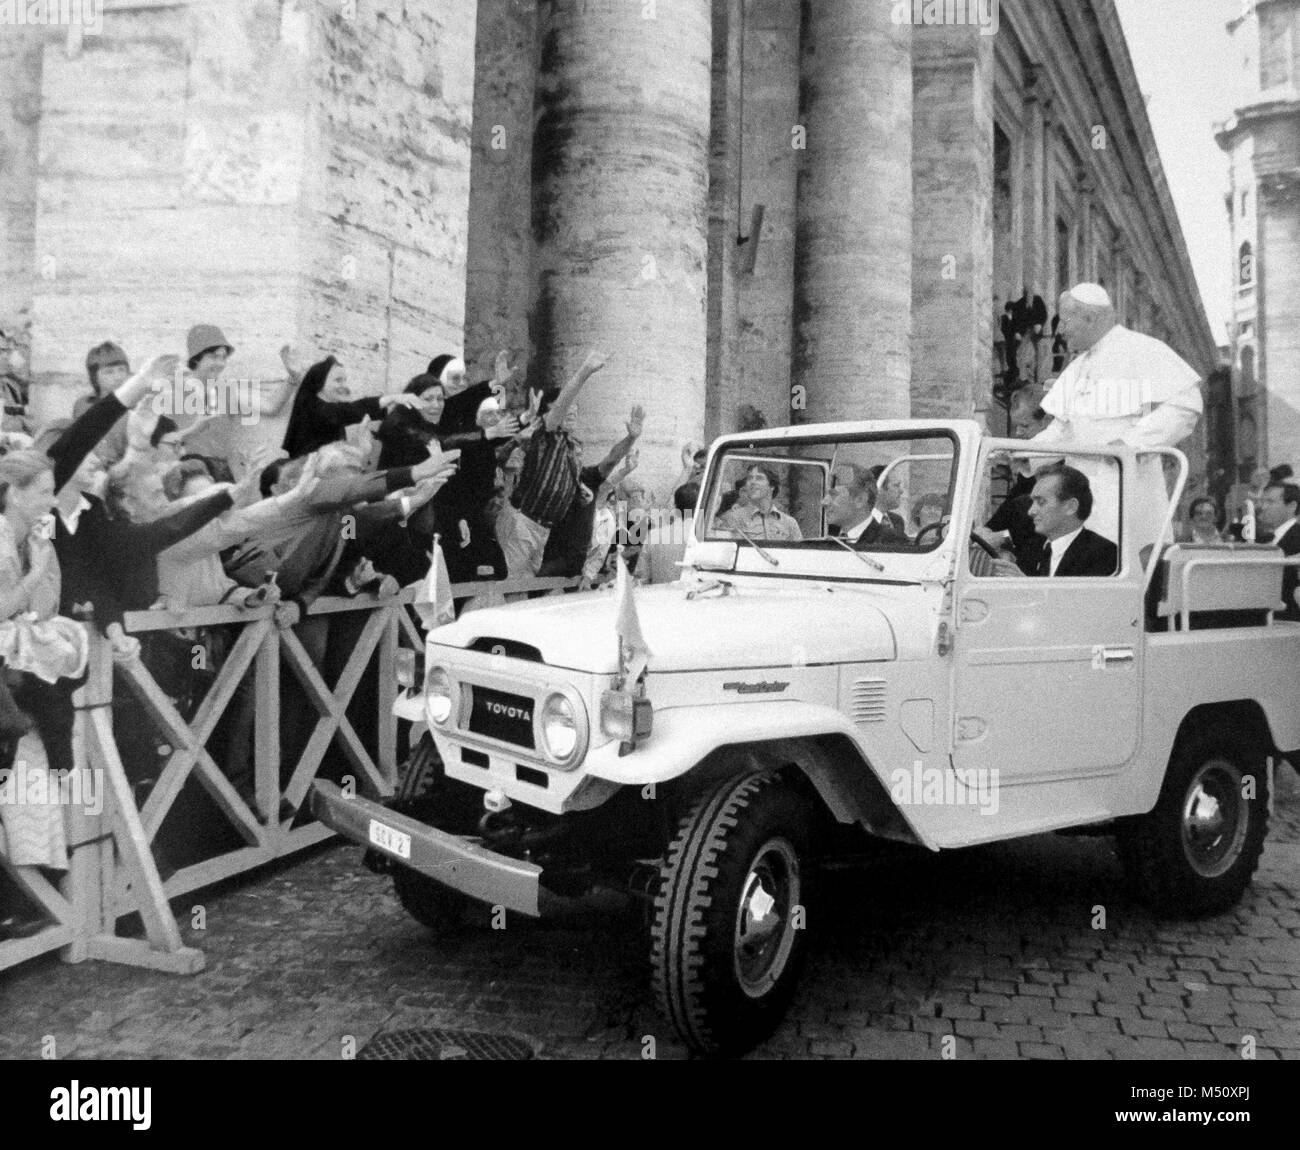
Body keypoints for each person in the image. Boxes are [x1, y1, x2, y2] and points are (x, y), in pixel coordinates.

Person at [1031, 283, 1202, 549]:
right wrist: (1021, 454)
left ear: (1090, 318)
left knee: (1125, 564)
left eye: (1066, 321)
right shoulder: (1077, 367)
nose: (1061, 330)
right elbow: (1063, 430)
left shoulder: (1143, 349)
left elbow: (1186, 406)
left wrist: (1130, 444)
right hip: (1079, 494)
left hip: (1127, 485)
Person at [497, 350, 608, 578]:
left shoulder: (571, 448)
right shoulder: (545, 434)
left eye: (575, 407)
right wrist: (585, 371)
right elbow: (559, 408)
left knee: (523, 591)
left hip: (543, 529)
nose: (572, 410)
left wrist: (578, 492)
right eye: (566, 406)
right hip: (523, 520)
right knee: (510, 585)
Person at [990, 463, 1118, 578]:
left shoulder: (1103, 554)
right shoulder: (1033, 548)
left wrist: (1026, 587)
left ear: (1071, 507)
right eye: (1032, 502)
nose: (1031, 511)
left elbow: (1081, 603)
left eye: (1041, 502)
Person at [822, 467, 907, 546]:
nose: (823, 502)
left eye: (833, 495)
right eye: (825, 495)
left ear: (860, 500)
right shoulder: (824, 535)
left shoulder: (894, 541)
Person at [719, 465, 802, 542]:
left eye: (759, 478)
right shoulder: (732, 518)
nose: (752, 482)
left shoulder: (790, 523)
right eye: (750, 478)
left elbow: (800, 554)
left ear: (772, 486)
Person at [1257, 480, 1299, 621]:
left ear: (1292, 506)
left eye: (1270, 502)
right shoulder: (1263, 539)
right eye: (1262, 502)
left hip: (1289, 620)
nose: (1262, 507)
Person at [867, 465, 908, 535]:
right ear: (878, 489)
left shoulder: (897, 521)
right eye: (896, 485)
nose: (901, 491)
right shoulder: (860, 522)